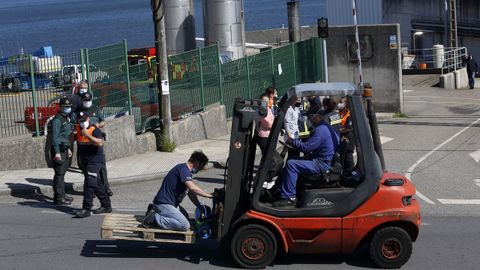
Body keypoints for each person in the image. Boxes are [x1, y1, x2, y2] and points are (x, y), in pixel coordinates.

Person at [273, 110, 339, 207]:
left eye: (312, 116)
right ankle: (276, 190)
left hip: (321, 164)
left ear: (318, 116)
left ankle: (289, 198)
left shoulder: (321, 129)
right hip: (320, 160)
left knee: (292, 164)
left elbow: (307, 147)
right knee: (294, 158)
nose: (310, 119)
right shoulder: (326, 127)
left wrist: (292, 141)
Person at [143, 151, 214, 231]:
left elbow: (191, 193)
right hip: (163, 204)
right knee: (184, 225)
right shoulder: (184, 170)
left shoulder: (185, 172)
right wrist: (210, 195)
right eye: (201, 166)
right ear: (197, 162)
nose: (200, 169)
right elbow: (193, 188)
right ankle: (153, 218)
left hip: (170, 204)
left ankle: (155, 210)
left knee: (186, 217)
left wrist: (199, 206)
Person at [74, 112, 112, 218]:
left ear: (88, 119)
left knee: (89, 183)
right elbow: (73, 138)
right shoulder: (78, 129)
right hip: (85, 160)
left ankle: (86, 208)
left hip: (95, 160)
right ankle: (106, 205)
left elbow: (99, 143)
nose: (82, 123)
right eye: (80, 121)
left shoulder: (95, 130)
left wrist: (87, 135)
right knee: (96, 183)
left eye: (84, 120)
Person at [77, 92, 112, 196]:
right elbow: (74, 126)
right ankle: (92, 189)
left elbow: (103, 122)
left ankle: (106, 188)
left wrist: (98, 125)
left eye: (88, 100)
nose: (87, 102)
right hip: (84, 144)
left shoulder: (96, 110)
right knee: (87, 169)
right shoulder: (78, 112)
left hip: (95, 142)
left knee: (102, 168)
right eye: (85, 101)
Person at [50, 97, 74, 205]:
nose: (68, 108)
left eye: (69, 107)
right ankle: (58, 197)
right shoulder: (57, 120)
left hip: (64, 148)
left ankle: (62, 194)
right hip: (58, 149)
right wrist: (57, 153)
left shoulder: (65, 118)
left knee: (62, 173)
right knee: (59, 174)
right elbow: (54, 138)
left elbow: (65, 136)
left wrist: (68, 148)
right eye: (65, 107)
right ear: (60, 107)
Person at [338, 97, 355, 178]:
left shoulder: (350, 114)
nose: (339, 103)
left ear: (346, 104)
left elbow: (349, 128)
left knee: (348, 159)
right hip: (342, 138)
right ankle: (345, 175)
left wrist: (338, 130)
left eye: (341, 102)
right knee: (343, 158)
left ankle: (351, 175)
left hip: (349, 138)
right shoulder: (342, 112)